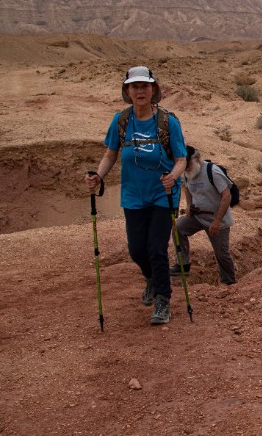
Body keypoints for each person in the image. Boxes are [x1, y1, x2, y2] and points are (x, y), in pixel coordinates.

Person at [85, 66, 187, 325]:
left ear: (153, 89)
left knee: (156, 249)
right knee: (136, 250)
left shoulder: (167, 122)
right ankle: (152, 279)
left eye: (145, 86)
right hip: (133, 196)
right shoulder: (120, 121)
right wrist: (99, 176)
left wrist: (173, 177)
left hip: (163, 195)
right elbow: (110, 155)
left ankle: (163, 299)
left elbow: (181, 159)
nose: (140, 91)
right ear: (127, 91)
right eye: (135, 86)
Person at [170, 146, 236, 285]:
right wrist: (188, 206)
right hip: (198, 216)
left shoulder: (212, 171)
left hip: (218, 220)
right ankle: (184, 264)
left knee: (221, 254)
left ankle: (229, 282)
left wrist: (217, 221)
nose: (186, 168)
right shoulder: (186, 171)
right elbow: (187, 188)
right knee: (178, 229)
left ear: (196, 158)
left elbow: (226, 196)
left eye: (187, 164)